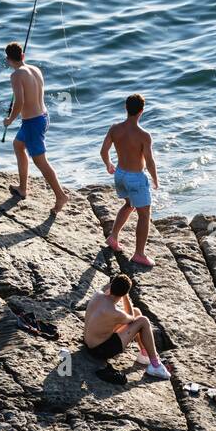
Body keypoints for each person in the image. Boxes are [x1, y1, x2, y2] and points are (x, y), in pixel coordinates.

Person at [2, 41, 69, 214]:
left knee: (41, 161)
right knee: (18, 145)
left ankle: (60, 195)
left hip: (32, 123)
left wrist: (10, 119)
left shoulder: (16, 76)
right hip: (43, 117)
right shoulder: (35, 69)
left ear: (8, 60)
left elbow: (20, 102)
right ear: (23, 56)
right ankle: (23, 188)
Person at [100, 92, 157, 267]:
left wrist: (109, 164)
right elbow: (149, 161)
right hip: (136, 178)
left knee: (129, 204)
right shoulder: (143, 135)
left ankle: (113, 237)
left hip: (120, 175)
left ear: (126, 108)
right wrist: (155, 179)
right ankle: (139, 254)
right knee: (144, 215)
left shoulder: (114, 128)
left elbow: (103, 151)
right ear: (142, 111)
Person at [83, 273, 170, 379]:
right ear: (123, 294)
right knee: (143, 321)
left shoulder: (98, 295)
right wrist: (126, 297)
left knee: (137, 311)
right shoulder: (114, 312)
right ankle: (155, 365)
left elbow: (132, 313)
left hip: (89, 343)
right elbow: (131, 318)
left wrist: (116, 284)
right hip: (100, 350)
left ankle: (144, 354)